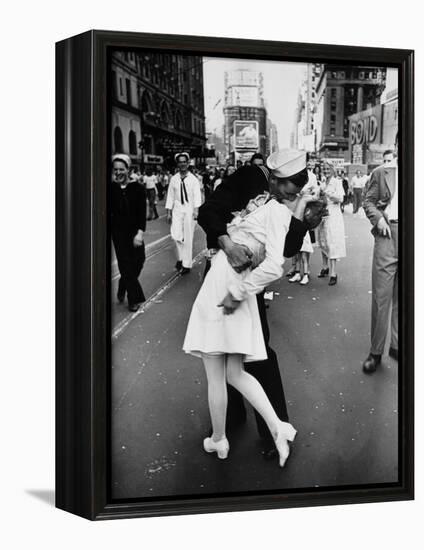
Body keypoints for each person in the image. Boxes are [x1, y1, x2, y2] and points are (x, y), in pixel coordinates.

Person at [185, 150, 316, 465]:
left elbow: (285, 250)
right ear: (273, 176)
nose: (290, 194)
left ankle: (270, 430)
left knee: (256, 353)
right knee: (221, 354)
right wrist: (228, 245)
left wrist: (301, 220)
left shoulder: (288, 202)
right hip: (225, 269)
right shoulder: (247, 177)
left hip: (249, 281)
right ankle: (228, 423)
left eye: (296, 191)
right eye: (287, 188)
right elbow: (209, 211)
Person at [362, 139, 398, 374]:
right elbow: (368, 201)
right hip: (388, 234)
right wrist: (379, 218)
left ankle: (397, 346)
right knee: (382, 297)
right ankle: (375, 352)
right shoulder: (382, 171)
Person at [111, 154, 146, 312]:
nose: (118, 172)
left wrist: (139, 233)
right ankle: (134, 299)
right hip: (118, 234)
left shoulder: (137, 188)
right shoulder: (110, 188)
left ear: (129, 170)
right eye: (115, 169)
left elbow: (141, 212)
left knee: (139, 261)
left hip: (134, 232)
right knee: (125, 264)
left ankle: (123, 283)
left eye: (121, 169)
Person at [166, 152, 202, 274]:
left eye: (184, 162)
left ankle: (186, 264)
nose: (182, 164)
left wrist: (196, 211)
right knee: (175, 235)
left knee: (188, 237)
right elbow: (170, 196)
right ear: (177, 164)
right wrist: (169, 212)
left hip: (189, 210)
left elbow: (197, 196)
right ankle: (181, 258)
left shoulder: (193, 180)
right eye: (180, 162)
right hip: (177, 209)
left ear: (188, 163)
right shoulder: (174, 179)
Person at [317, 161, 346, 285]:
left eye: (328, 169)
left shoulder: (337, 182)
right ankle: (325, 267)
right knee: (323, 241)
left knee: (332, 241)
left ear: (332, 170)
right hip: (323, 214)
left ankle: (333, 273)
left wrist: (327, 192)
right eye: (324, 169)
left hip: (333, 215)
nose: (326, 171)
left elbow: (340, 198)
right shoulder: (323, 182)